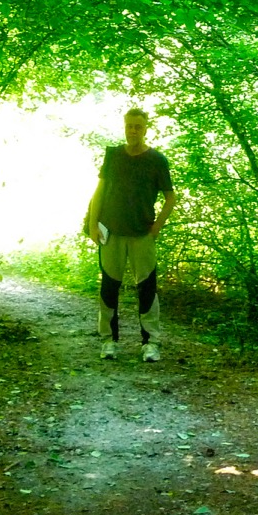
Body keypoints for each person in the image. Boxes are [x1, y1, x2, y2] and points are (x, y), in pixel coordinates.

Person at [83, 107, 176, 362]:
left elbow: (170, 198)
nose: (133, 130)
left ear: (145, 128)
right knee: (109, 286)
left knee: (147, 287)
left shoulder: (157, 160)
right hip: (111, 232)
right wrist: (93, 224)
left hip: (142, 233)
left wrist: (157, 226)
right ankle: (108, 340)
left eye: (138, 126)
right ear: (124, 127)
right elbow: (100, 191)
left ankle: (151, 343)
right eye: (129, 126)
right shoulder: (113, 156)